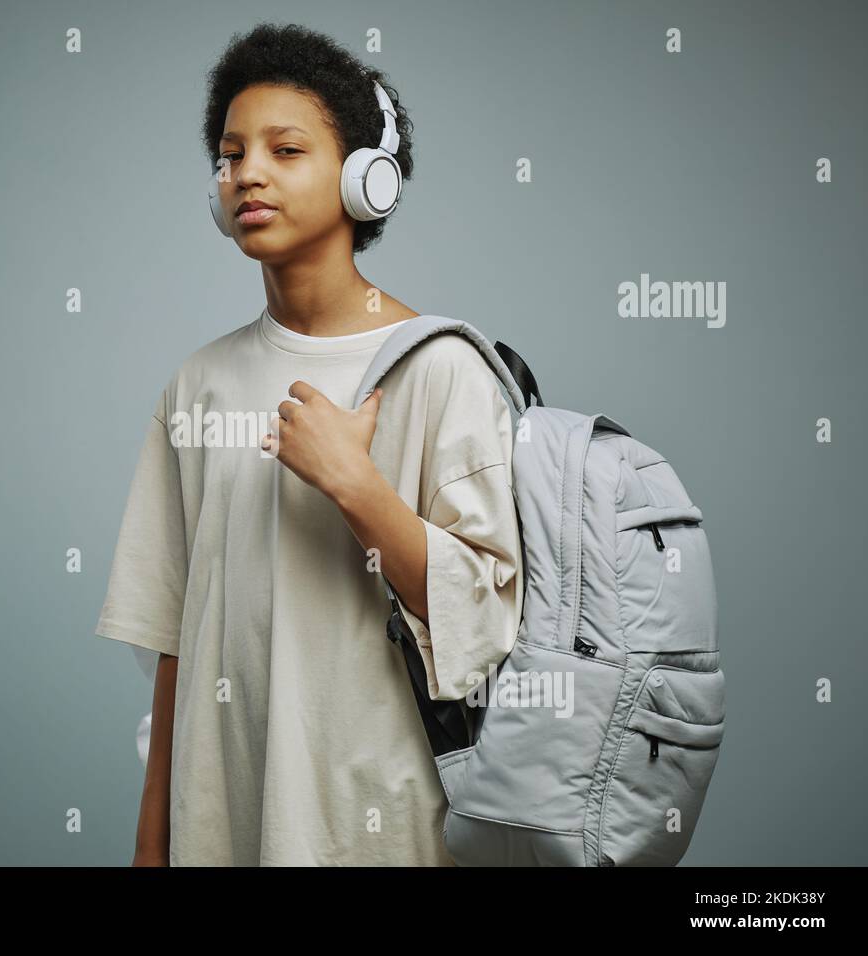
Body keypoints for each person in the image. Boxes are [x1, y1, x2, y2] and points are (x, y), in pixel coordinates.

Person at [94, 22, 523, 866]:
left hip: (383, 827)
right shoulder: (198, 385)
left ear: (368, 181)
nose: (247, 171)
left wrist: (355, 485)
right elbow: (176, 641)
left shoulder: (442, 369)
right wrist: (153, 846)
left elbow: (485, 622)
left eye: (285, 150)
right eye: (231, 153)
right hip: (224, 822)